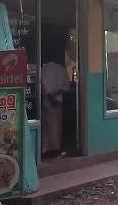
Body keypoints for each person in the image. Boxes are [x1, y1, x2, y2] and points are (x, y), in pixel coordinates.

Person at [40, 25, 71, 157]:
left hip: (47, 101)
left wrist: (49, 96)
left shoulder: (44, 68)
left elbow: (42, 84)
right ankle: (56, 150)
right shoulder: (62, 70)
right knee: (57, 126)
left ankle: (45, 151)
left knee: (47, 127)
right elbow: (66, 86)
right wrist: (55, 95)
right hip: (58, 101)